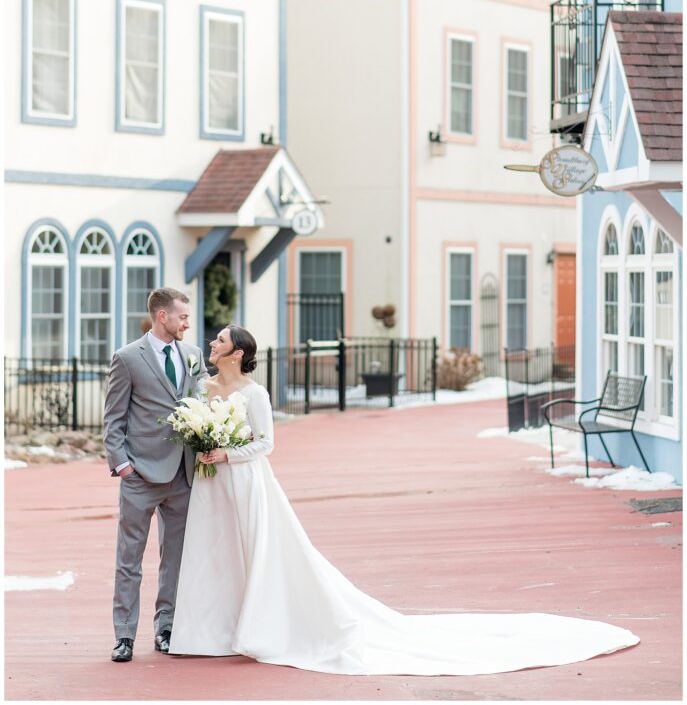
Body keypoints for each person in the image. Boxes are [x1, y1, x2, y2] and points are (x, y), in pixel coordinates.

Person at [169, 325, 639, 675]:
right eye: (213, 339)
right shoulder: (204, 387)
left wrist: (225, 453)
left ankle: (255, 626)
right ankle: (208, 630)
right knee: (214, 555)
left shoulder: (255, 394)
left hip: (245, 482)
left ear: (239, 352)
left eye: (220, 340)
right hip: (211, 486)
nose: (211, 343)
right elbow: (193, 422)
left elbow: (266, 445)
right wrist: (200, 445)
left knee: (255, 554)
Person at [103, 287, 208, 663]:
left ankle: (167, 628)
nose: (188, 323)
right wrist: (124, 466)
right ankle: (124, 636)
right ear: (162, 316)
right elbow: (113, 419)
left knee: (175, 558)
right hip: (141, 475)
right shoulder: (128, 357)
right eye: (182, 316)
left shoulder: (194, 356)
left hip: (183, 474)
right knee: (129, 558)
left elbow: (203, 404)